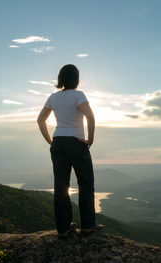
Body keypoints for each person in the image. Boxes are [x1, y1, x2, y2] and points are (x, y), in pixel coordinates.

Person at [37, 64, 103, 239]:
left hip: (58, 142)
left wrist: (51, 141)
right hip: (76, 142)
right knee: (86, 182)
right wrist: (90, 139)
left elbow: (40, 120)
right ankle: (88, 226)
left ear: (60, 79)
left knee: (60, 185)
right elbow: (90, 116)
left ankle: (63, 228)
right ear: (77, 79)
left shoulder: (53, 97)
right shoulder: (78, 95)